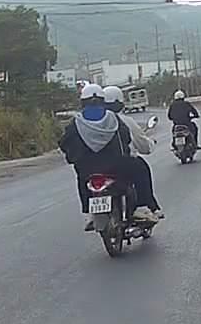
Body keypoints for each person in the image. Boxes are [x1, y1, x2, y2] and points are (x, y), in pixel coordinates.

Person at [59, 84, 158, 230]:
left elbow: (65, 143)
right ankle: (141, 206)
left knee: (81, 178)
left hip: (87, 169)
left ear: (82, 101)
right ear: (102, 100)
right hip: (116, 167)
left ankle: (88, 213)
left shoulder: (76, 122)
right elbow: (125, 137)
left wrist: (76, 158)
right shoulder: (113, 118)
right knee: (140, 168)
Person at [102, 85, 164, 220]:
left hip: (95, 165)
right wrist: (150, 145)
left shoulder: (91, 122)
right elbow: (142, 145)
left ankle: (89, 213)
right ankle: (144, 205)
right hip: (121, 163)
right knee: (142, 168)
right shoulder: (125, 121)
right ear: (119, 102)